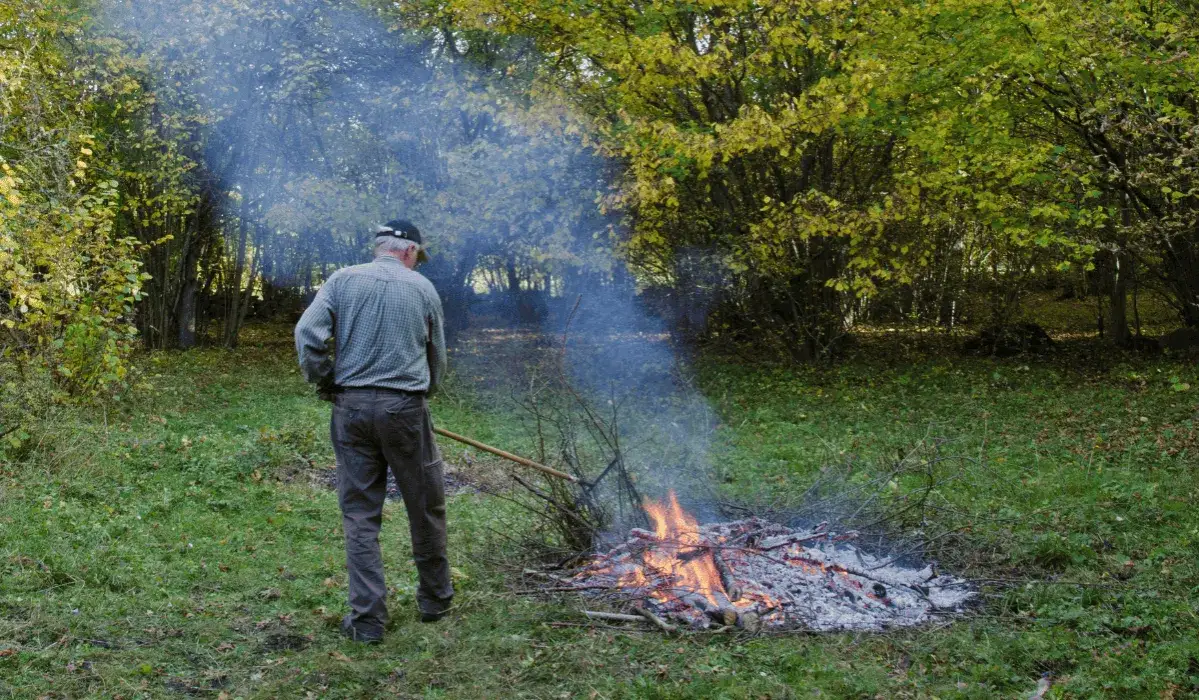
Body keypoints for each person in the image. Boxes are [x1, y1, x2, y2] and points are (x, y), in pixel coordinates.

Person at [294, 219, 451, 644]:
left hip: (352, 410)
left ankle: (368, 623)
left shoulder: (342, 280)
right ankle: (435, 600)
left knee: (361, 514)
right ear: (409, 251)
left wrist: (325, 379)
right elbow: (437, 359)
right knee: (425, 504)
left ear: (381, 247)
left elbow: (307, 334)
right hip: (405, 410)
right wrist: (425, 394)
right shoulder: (422, 289)